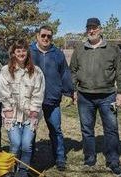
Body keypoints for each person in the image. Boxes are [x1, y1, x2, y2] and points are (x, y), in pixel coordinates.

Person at [70, 17, 121, 176]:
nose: (91, 30)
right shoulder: (79, 49)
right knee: (87, 129)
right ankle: (89, 158)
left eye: (94, 27)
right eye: (88, 28)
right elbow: (73, 71)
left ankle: (113, 160)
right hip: (84, 97)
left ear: (100, 29)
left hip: (108, 96)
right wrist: (73, 90)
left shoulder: (112, 49)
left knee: (111, 129)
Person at [30, 25, 73, 171]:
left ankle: (60, 157)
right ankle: (28, 159)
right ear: (37, 36)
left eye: (49, 36)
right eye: (43, 35)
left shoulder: (58, 54)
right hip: (32, 100)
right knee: (30, 131)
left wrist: (68, 92)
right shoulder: (29, 52)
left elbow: (65, 73)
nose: (46, 38)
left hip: (52, 98)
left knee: (56, 129)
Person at [0, 39, 45, 177]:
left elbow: (39, 92)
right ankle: (10, 170)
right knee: (15, 143)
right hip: (12, 114)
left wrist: (34, 110)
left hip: (30, 115)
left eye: (23, 50)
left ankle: (23, 171)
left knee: (26, 144)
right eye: (18, 51)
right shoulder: (6, 70)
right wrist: (7, 109)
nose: (21, 53)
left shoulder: (36, 72)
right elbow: (4, 91)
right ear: (13, 53)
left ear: (27, 52)